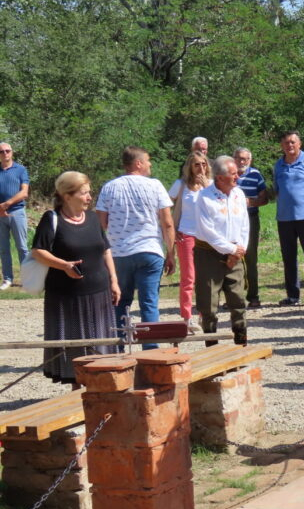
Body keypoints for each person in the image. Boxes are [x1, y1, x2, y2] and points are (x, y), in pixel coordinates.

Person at [31, 172, 120, 387]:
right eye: (84, 193)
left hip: (98, 293)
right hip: (66, 297)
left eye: (89, 192)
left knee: (100, 342)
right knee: (74, 345)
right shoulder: (52, 219)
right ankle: (76, 389)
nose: (90, 197)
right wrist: (64, 265)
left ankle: (101, 387)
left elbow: (106, 250)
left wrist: (114, 281)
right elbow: (38, 252)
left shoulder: (91, 218)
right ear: (68, 196)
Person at [96, 146, 176, 350]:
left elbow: (101, 224)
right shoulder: (155, 186)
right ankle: (151, 352)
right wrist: (171, 253)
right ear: (138, 163)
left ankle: (119, 349)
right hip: (149, 250)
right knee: (149, 303)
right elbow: (167, 222)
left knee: (120, 302)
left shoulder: (109, 187)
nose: (150, 164)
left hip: (119, 253)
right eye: (148, 160)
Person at [194, 156, 249, 346]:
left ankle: (241, 345)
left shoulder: (239, 195)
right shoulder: (204, 197)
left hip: (235, 253)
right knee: (209, 304)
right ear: (219, 178)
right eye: (233, 174)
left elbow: (244, 226)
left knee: (238, 300)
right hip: (209, 254)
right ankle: (212, 347)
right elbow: (209, 231)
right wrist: (231, 249)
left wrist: (238, 251)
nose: (237, 177)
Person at [273, 131, 304, 307]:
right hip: (285, 217)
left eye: (293, 142)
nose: (290, 146)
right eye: (286, 143)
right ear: (282, 145)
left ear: (299, 144)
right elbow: (277, 190)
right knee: (288, 257)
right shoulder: (278, 165)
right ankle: (293, 295)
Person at [169, 151, 211, 332]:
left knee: (205, 277)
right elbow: (164, 207)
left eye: (203, 164)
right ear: (190, 167)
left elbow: (219, 207)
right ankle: (187, 317)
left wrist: (207, 187)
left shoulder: (211, 186)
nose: (201, 168)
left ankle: (205, 314)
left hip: (206, 236)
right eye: (196, 164)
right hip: (186, 235)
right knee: (189, 278)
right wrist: (173, 228)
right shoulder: (180, 185)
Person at [234, 147, 268, 309]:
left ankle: (253, 296)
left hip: (250, 219)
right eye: (239, 158)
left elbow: (265, 198)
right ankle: (234, 297)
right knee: (232, 257)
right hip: (231, 221)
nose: (241, 162)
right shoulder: (229, 174)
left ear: (250, 160)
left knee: (251, 258)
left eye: (245, 159)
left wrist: (250, 202)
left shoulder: (256, 175)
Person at [0, 143, 30, 290]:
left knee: (22, 247)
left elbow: (24, 192)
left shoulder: (20, 170)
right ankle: (7, 279)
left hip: (17, 212)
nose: (5, 153)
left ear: (12, 152)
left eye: (7, 150)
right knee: (4, 248)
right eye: (2, 151)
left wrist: (6, 204)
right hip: (0, 215)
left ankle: (27, 280)